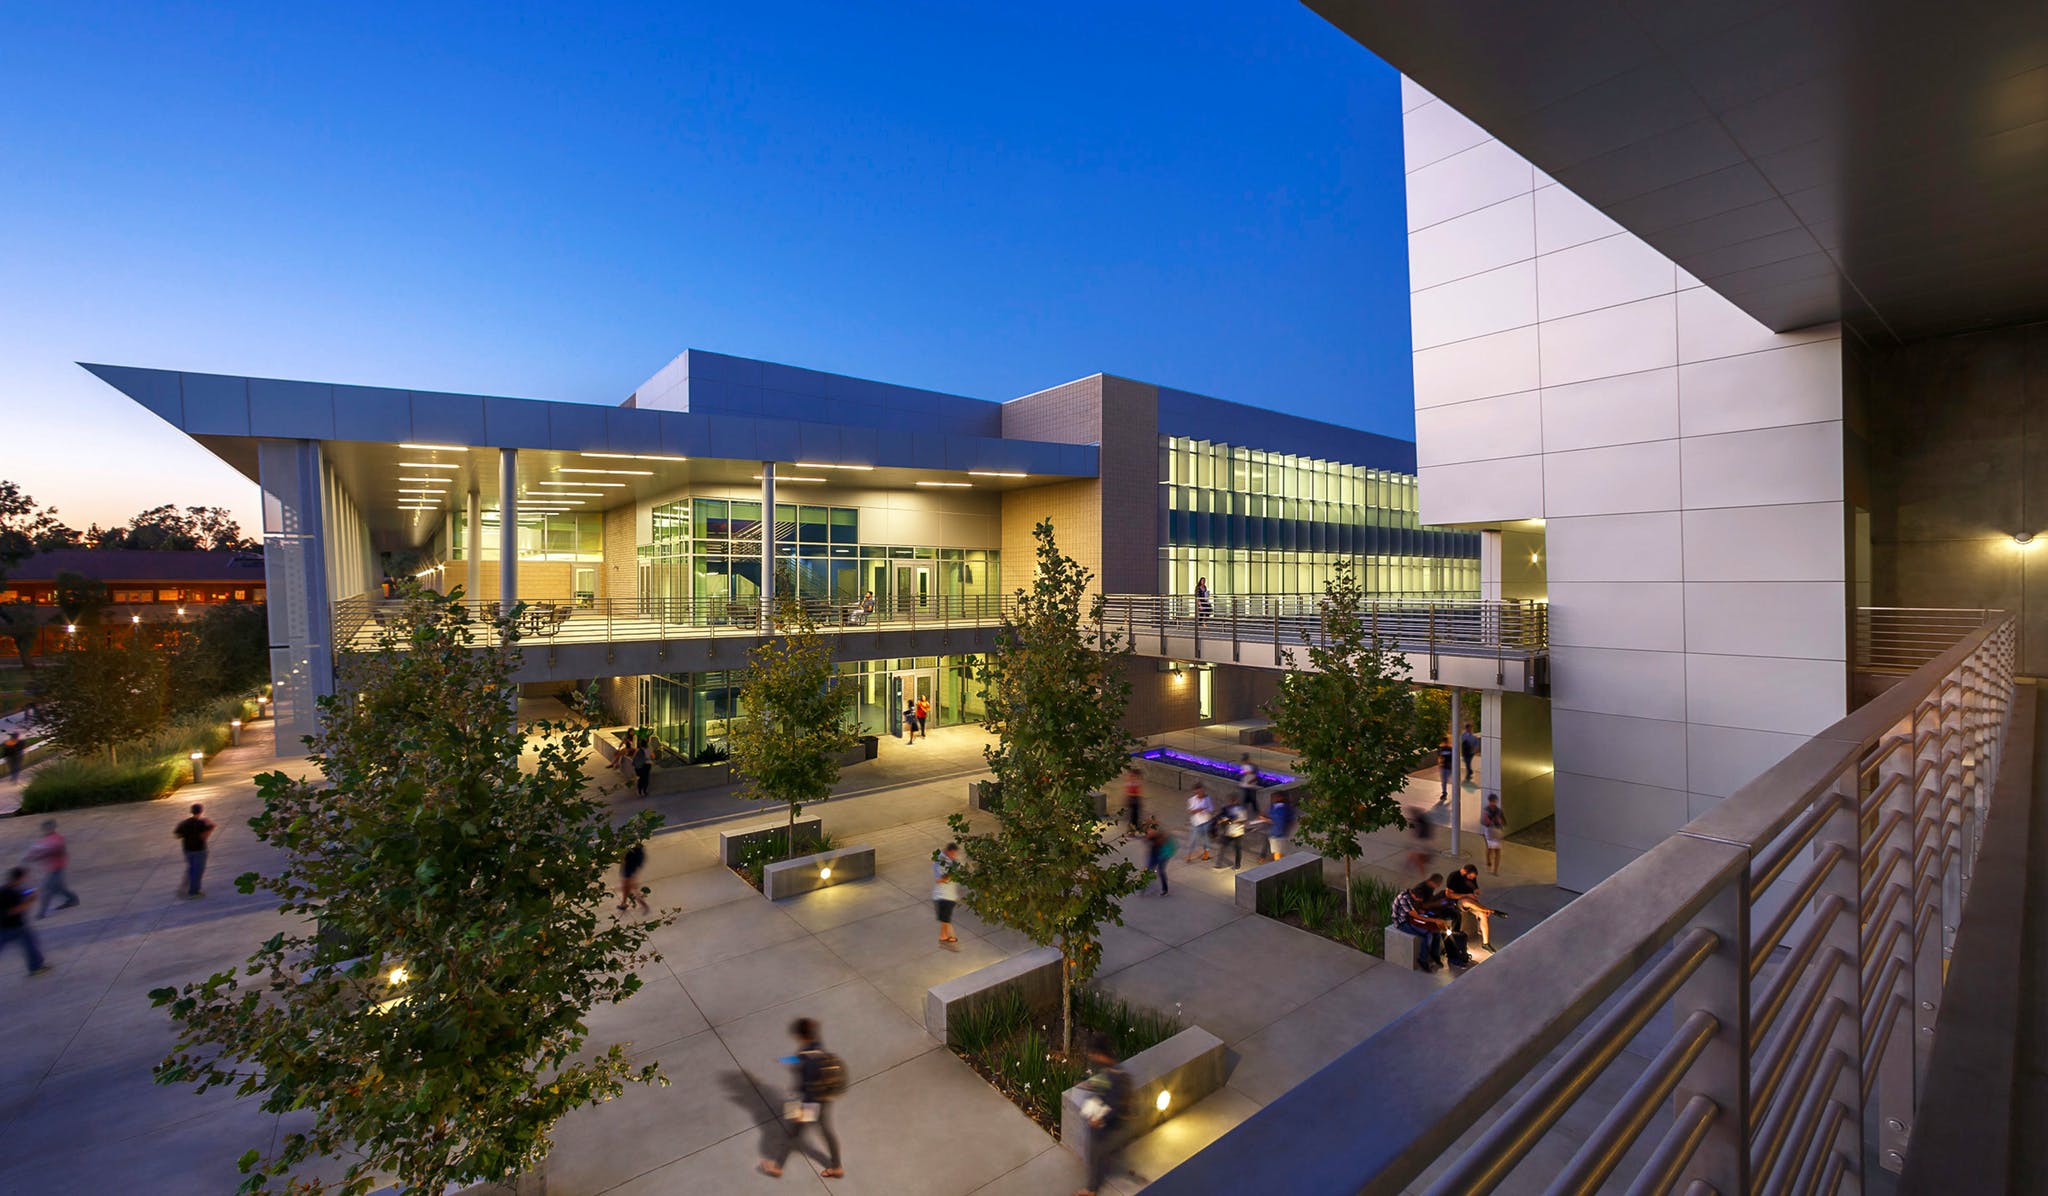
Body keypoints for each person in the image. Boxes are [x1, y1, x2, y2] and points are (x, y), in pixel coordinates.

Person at [759, 1017, 845, 1179]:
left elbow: (808, 1088)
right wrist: (786, 1060)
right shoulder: (816, 1047)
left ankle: (777, 1167)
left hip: (810, 1103)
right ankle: (837, 1167)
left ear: (800, 1036)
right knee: (826, 1131)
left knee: (793, 1130)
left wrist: (801, 1111)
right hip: (824, 1099)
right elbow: (803, 1057)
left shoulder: (808, 1063)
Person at [1075, 1032, 1131, 1196]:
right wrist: (1090, 1085)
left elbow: (1116, 1103)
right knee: (1096, 1152)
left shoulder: (1115, 1076)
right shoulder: (1110, 1069)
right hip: (1104, 1119)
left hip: (1108, 1124)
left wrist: (1100, 1119)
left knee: (1094, 1152)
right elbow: (1103, 1083)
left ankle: (1091, 1189)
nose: (1091, 1056)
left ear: (1099, 1054)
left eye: (1093, 1054)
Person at [1390, 879, 1449, 973]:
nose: (1420, 901)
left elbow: (1418, 911)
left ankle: (1435, 955)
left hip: (1411, 918)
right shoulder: (1404, 899)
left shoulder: (1412, 894)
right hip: (1403, 922)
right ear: (1414, 896)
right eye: (1419, 899)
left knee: (1436, 932)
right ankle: (1422, 960)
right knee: (1427, 934)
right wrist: (1435, 920)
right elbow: (1415, 916)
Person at [0, 867, 49, 976]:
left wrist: (28, 893)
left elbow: (23, 892)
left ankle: (36, 966)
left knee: (31, 944)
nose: (25, 880)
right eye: (24, 878)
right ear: (20, 878)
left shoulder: (4, 889)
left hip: (4, 927)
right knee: (31, 945)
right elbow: (13, 910)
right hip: (15, 927)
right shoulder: (11, 893)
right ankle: (36, 967)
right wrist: (30, 900)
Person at [24, 819, 78, 917]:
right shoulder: (45, 839)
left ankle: (42, 912)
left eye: (47, 828)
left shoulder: (57, 839)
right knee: (58, 888)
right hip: (51, 868)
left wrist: (39, 855)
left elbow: (56, 849)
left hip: (56, 868)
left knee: (47, 889)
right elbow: (37, 851)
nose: (45, 830)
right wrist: (31, 857)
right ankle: (72, 899)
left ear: (52, 828)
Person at [1445, 863, 1506, 948]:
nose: (1472, 879)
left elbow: (1474, 886)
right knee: (1467, 902)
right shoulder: (1454, 876)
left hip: (1472, 901)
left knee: (1483, 915)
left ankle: (1486, 943)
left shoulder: (1471, 877)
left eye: (1473, 878)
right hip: (1459, 900)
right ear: (1465, 872)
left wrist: (1475, 890)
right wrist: (1466, 895)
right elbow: (1449, 894)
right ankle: (1492, 911)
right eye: (1470, 877)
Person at [174, 802, 214, 898]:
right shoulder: (202, 823)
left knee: (191, 868)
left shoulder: (184, 823)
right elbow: (204, 837)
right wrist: (210, 827)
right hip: (199, 849)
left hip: (187, 849)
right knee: (198, 870)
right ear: (201, 811)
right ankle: (194, 891)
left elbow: (178, 835)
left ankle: (186, 888)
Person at [933, 843, 962, 950]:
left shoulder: (951, 861)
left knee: (946, 919)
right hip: (943, 895)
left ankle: (947, 938)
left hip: (950, 895)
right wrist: (952, 874)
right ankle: (945, 939)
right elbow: (940, 879)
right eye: (953, 854)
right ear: (949, 851)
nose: (954, 856)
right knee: (946, 919)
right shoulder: (940, 862)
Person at [1213, 797, 1247, 870]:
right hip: (1229, 832)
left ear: (1236, 801)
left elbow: (1243, 820)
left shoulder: (1241, 809)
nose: (1231, 803)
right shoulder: (1227, 809)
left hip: (1238, 832)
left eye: (1232, 801)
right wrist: (1221, 820)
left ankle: (1238, 865)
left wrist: (1231, 821)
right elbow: (1222, 816)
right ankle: (1218, 864)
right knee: (1223, 847)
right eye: (1230, 802)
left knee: (1238, 849)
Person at [1143, 818, 1174, 896]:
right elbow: (1146, 840)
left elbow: (1163, 842)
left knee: (1160, 871)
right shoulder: (1149, 831)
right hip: (1153, 854)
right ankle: (1144, 887)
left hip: (1161, 855)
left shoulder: (1161, 834)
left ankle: (1165, 889)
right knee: (1149, 870)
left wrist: (1153, 836)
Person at [617, 842, 649, 913]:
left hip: (627, 874)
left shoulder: (631, 852)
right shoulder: (641, 855)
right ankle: (623, 904)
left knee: (631, 890)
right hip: (631, 873)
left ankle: (644, 905)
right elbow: (639, 865)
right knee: (628, 890)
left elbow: (624, 859)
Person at [1185, 782, 1214, 861]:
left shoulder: (1207, 799)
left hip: (1205, 822)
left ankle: (1206, 853)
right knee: (1192, 840)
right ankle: (1189, 855)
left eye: (1201, 792)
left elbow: (1211, 809)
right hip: (1196, 823)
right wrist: (1198, 810)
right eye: (1197, 792)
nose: (1200, 794)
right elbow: (1191, 811)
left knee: (1205, 839)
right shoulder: (1192, 800)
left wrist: (1205, 810)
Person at [1405, 804, 1435, 876]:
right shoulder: (1422, 819)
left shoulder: (1419, 819)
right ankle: (1408, 867)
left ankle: (1422, 873)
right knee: (1413, 855)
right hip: (1423, 841)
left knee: (1417, 858)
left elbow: (1418, 831)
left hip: (1422, 841)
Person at [1265, 793, 1296, 862]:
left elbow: (1278, 821)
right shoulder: (1284, 808)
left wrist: (1266, 819)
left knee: (1278, 853)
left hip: (1277, 834)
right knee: (1279, 853)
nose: (1273, 799)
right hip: (1279, 834)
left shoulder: (1280, 809)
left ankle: (1279, 867)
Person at [1481, 793, 1507, 875]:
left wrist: (1500, 822)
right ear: (1489, 801)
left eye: (1494, 801)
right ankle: (1488, 861)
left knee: (1497, 851)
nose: (1493, 803)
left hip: (1497, 831)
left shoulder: (1499, 811)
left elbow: (1504, 822)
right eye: (1492, 801)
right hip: (1489, 831)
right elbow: (1483, 821)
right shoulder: (1486, 810)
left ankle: (1495, 870)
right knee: (1489, 850)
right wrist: (1489, 821)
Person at [1121, 768, 1145, 838]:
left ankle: (1134, 831)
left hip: (1134, 801)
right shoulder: (1131, 782)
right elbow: (1130, 792)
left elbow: (1136, 792)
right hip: (1133, 801)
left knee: (1135, 817)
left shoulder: (1135, 782)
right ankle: (1133, 831)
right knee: (1133, 817)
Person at [1237, 754, 1261, 818]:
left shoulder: (1254, 767)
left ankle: (1256, 813)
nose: (1243, 762)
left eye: (1245, 761)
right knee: (1246, 800)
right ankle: (1244, 813)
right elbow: (1242, 776)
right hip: (1245, 786)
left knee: (1252, 800)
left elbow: (1257, 776)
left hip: (1251, 786)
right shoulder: (1243, 767)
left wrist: (1251, 781)